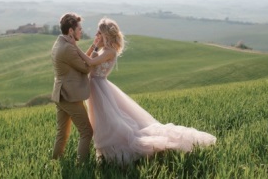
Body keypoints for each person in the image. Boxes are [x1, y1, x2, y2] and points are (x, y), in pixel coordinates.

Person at [76, 17, 216, 165]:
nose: (96, 36)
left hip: (100, 89)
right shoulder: (103, 50)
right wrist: (94, 46)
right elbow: (88, 61)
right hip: (96, 88)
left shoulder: (109, 52)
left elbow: (89, 62)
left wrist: (76, 48)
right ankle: (104, 155)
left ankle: (113, 155)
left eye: (99, 33)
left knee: (107, 122)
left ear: (105, 35)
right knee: (100, 122)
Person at [50, 12, 97, 163]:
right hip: (70, 96)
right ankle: (81, 165)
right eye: (79, 29)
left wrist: (93, 46)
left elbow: (80, 58)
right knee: (86, 132)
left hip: (60, 95)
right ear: (71, 31)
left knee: (62, 133)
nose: (81, 31)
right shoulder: (68, 49)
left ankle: (55, 162)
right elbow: (85, 68)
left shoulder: (61, 43)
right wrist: (96, 53)